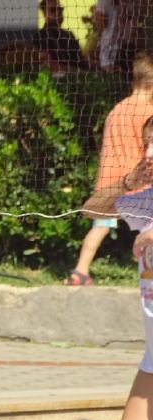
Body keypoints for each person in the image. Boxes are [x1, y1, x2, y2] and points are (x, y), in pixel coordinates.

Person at [24, 115, 153, 420]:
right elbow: (91, 208)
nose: (151, 153)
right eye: (148, 144)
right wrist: (129, 179)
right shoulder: (147, 199)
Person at [67, 52, 153, 285]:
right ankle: (145, 267)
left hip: (110, 181)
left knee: (101, 226)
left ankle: (80, 270)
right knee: (146, 228)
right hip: (137, 182)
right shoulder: (147, 113)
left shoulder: (116, 110)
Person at [36, 0, 85, 74]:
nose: (58, 12)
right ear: (44, 13)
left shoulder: (69, 35)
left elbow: (81, 63)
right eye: (53, 10)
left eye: (60, 9)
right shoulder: (40, 36)